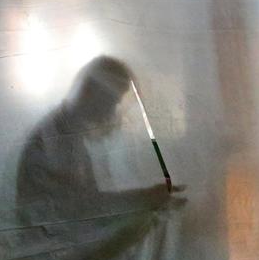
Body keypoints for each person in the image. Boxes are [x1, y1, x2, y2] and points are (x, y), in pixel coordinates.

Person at [16, 55, 182, 223]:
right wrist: (143, 199)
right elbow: (81, 209)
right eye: (114, 100)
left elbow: (86, 202)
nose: (114, 110)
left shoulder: (67, 131)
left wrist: (145, 197)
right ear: (95, 94)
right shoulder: (56, 139)